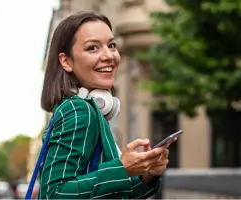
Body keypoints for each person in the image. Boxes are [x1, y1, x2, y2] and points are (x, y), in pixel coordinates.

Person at [39, 11, 176, 199]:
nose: (109, 56)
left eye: (112, 45)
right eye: (93, 48)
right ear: (66, 61)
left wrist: (147, 176)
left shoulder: (89, 110)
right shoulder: (80, 111)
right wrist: (121, 169)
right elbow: (53, 195)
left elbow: (107, 194)